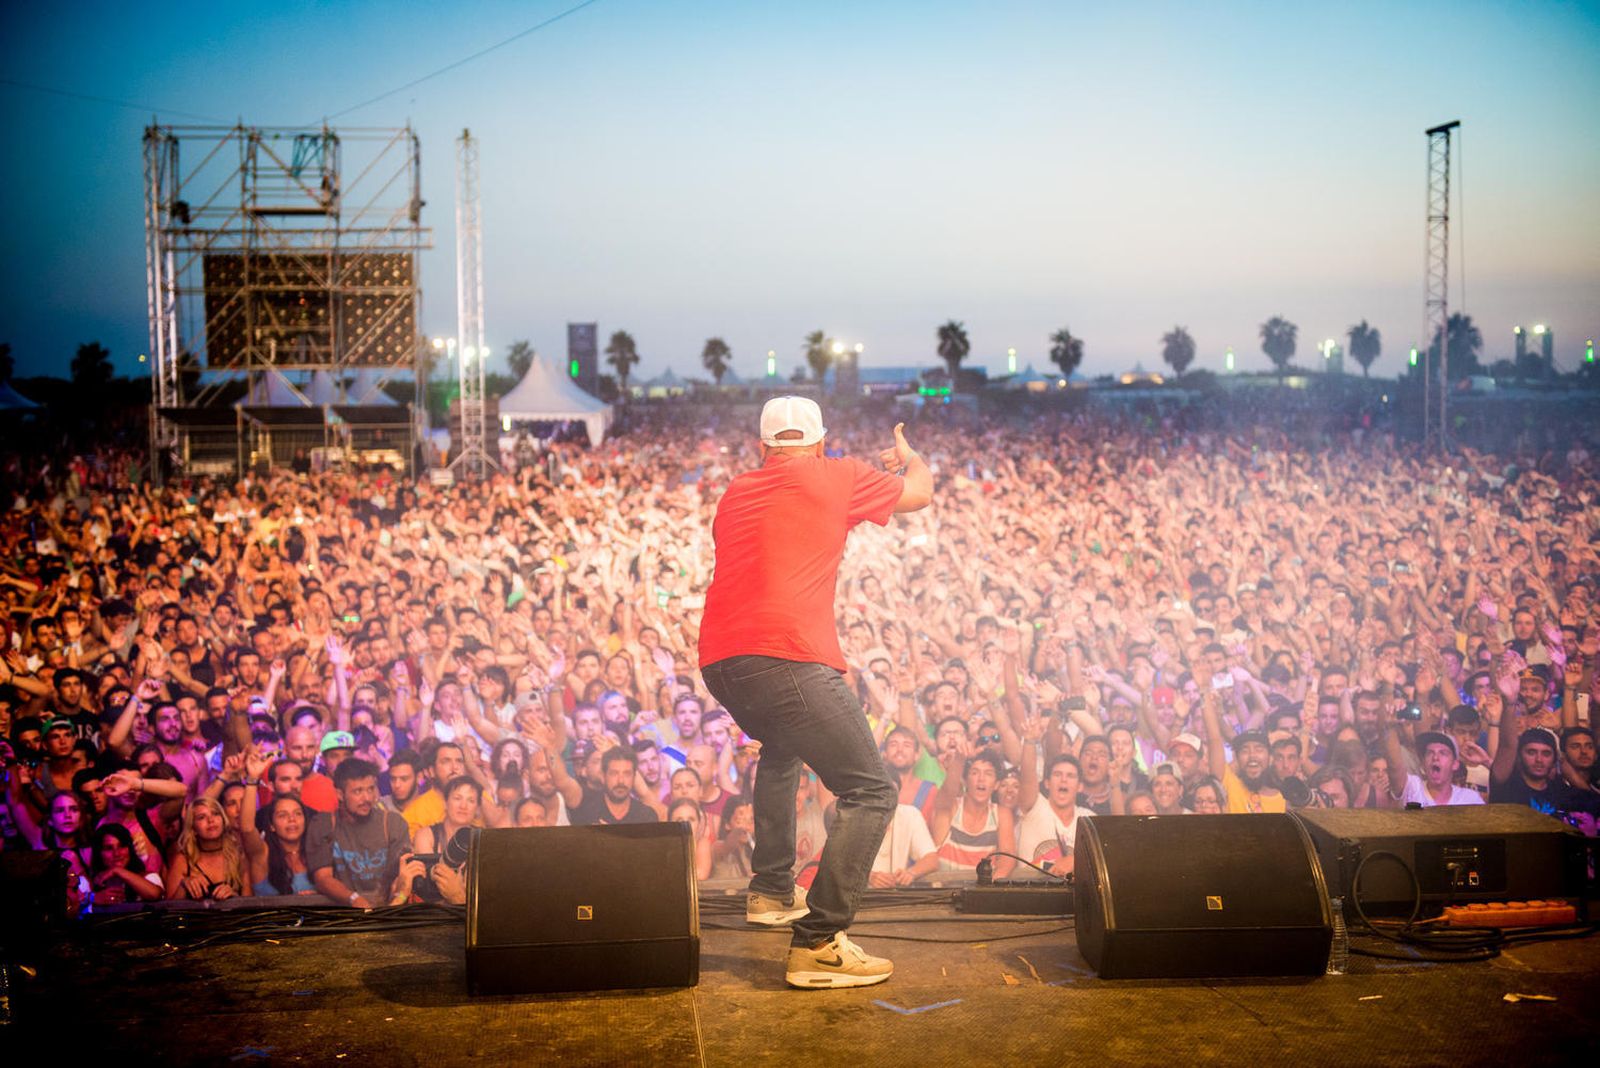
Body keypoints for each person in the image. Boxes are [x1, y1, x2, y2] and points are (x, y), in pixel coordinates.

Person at [698, 399, 931, 990]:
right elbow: (920, 493)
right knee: (873, 791)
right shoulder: (839, 474)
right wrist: (910, 458)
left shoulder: (735, 492)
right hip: (788, 657)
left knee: (782, 744)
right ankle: (820, 942)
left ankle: (771, 891)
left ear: (762, 448)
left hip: (722, 664)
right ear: (822, 443)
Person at [306, 757, 419, 908]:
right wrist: (354, 899)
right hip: (342, 912)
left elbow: (399, 877)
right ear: (340, 794)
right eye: (358, 791)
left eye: (371, 789)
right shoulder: (324, 824)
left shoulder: (393, 823)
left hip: (386, 909)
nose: (367, 798)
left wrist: (394, 902)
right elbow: (323, 879)